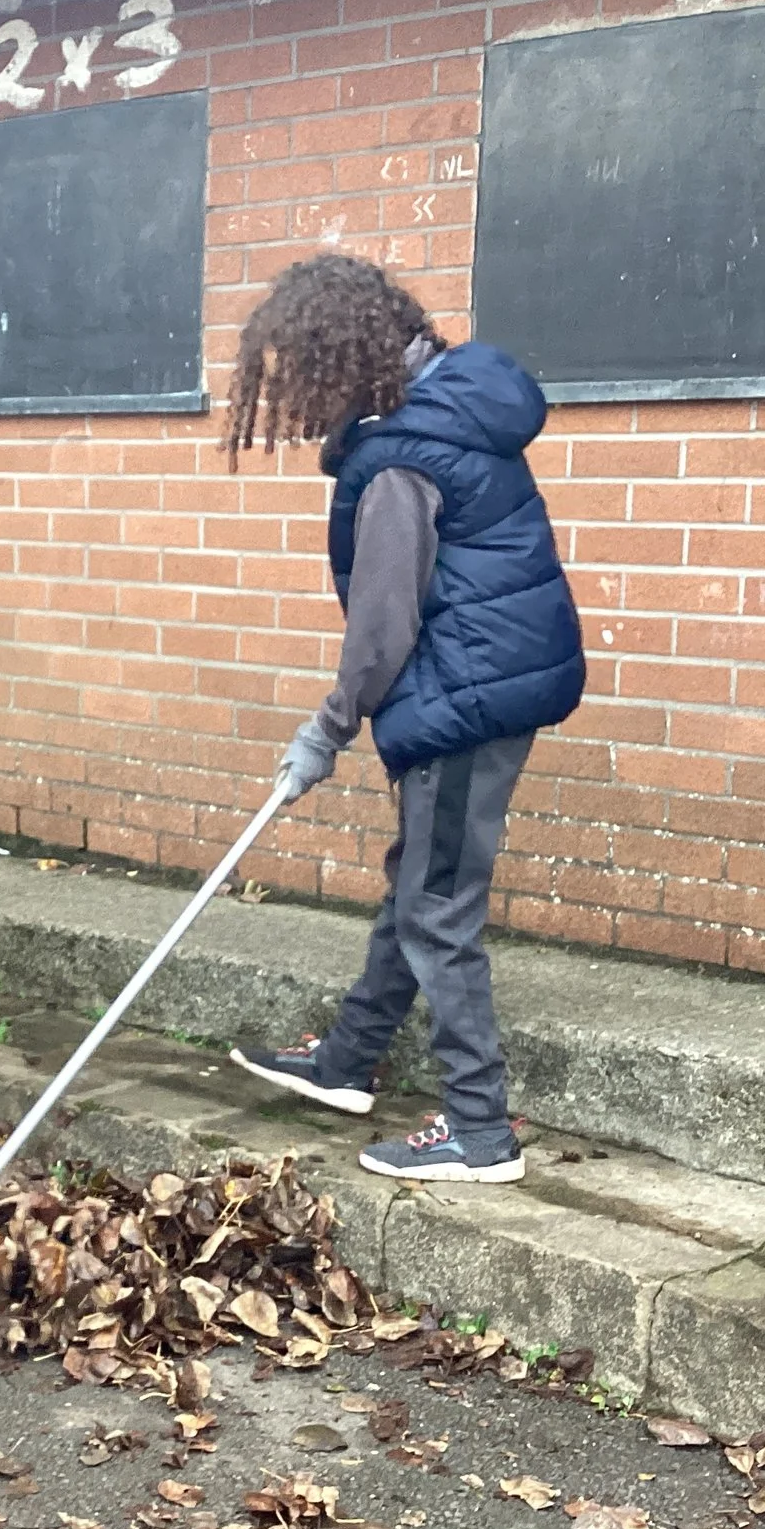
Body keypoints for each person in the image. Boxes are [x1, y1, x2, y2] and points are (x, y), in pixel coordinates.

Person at [220, 257, 585, 1184]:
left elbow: (383, 627)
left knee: (437, 906)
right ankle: (347, 1060)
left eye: (299, 377)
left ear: (335, 360)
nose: (297, 403)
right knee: (421, 881)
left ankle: (479, 1129)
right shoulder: (450, 407)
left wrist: (326, 730)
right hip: (482, 684)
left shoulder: (401, 455)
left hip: (464, 698)